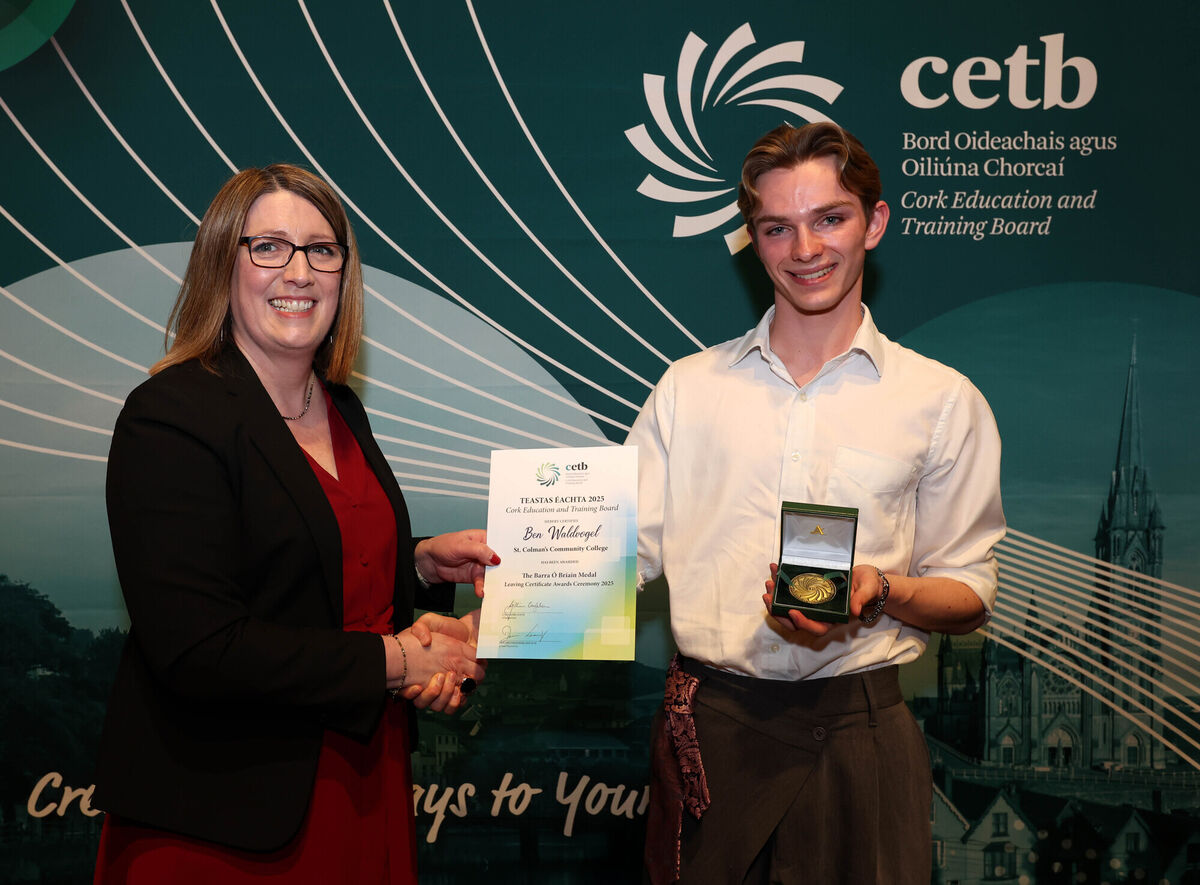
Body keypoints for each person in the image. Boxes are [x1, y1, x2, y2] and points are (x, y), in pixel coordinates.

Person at [92, 163, 495, 883]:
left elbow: (300, 559)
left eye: (322, 249)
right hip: (222, 824)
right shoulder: (169, 416)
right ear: (224, 263)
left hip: (364, 783)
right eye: (270, 247)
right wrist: (400, 661)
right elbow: (199, 648)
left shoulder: (340, 407)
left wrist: (419, 563)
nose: (300, 272)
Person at [629, 122, 1005, 884]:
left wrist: (881, 589)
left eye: (829, 218)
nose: (805, 249)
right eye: (777, 227)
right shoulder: (687, 390)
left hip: (862, 737)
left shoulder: (941, 400)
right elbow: (616, 554)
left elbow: (970, 592)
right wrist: (505, 595)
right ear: (753, 240)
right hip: (713, 739)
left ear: (874, 222)